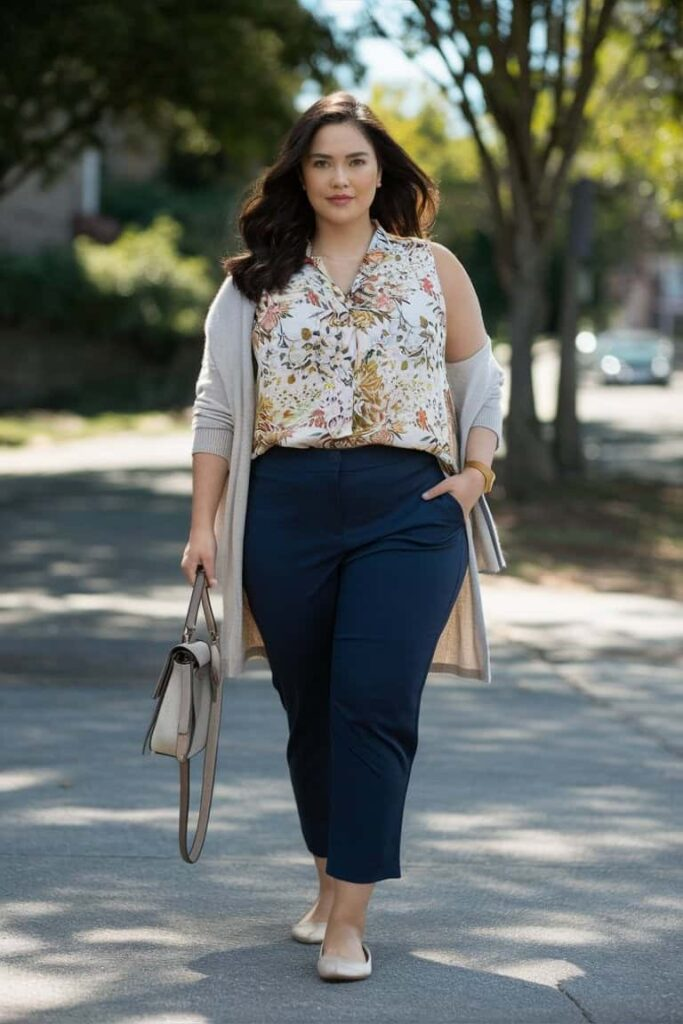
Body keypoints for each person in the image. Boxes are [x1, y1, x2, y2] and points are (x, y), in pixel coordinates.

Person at [181, 91, 505, 983]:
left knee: (371, 700)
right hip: (284, 508)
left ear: (380, 172)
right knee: (311, 708)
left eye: (355, 161)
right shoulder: (250, 282)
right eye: (321, 162)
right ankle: (329, 875)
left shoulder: (430, 266)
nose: (338, 177)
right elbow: (214, 408)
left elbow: (479, 379)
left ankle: (347, 922)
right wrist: (202, 528)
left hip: (408, 507)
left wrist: (475, 476)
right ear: (299, 174)